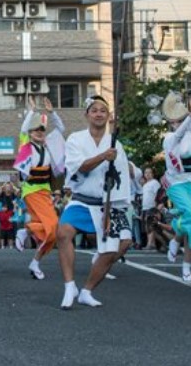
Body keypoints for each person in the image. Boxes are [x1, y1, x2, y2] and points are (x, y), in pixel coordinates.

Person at [56, 95, 132, 310]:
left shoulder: (116, 143)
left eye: (103, 110)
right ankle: (69, 285)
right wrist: (102, 157)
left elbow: (121, 179)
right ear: (87, 115)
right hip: (81, 200)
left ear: (109, 116)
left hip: (107, 203)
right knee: (63, 233)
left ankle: (87, 291)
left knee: (119, 246)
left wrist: (113, 209)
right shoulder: (75, 139)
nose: (99, 113)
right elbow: (79, 167)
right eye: (94, 110)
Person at [162, 74, 191, 283]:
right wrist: (189, 117)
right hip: (175, 184)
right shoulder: (169, 139)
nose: (178, 123)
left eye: (181, 120)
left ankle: (186, 265)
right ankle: (177, 237)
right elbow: (182, 131)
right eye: (175, 121)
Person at [12, 95, 65, 279]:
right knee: (53, 227)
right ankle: (26, 231)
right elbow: (23, 130)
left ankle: (35, 260)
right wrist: (32, 111)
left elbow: (60, 129)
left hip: (45, 191)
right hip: (32, 190)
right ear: (31, 133)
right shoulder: (26, 146)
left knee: (51, 233)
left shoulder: (48, 145)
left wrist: (52, 113)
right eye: (35, 130)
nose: (40, 133)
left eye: (42, 130)